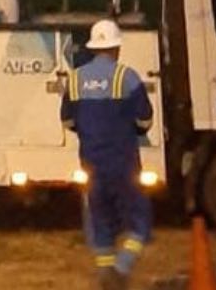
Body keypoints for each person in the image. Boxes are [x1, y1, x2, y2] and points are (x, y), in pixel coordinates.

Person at [59, 19, 154, 289]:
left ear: (92, 48)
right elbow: (145, 120)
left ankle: (105, 276)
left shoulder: (75, 79)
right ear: (116, 48)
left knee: (100, 220)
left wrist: (90, 132)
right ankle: (122, 267)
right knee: (139, 220)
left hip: (91, 161)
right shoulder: (127, 77)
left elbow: (67, 122)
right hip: (124, 161)